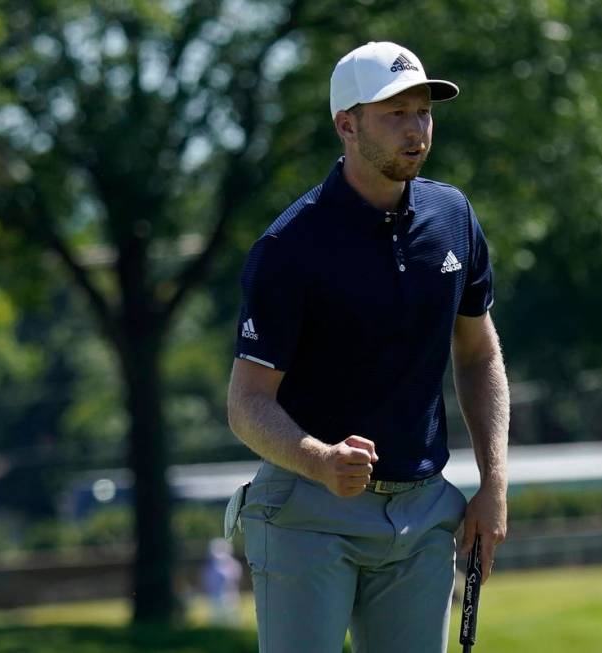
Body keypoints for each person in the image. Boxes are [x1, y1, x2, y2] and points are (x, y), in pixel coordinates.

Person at [225, 41, 509, 653]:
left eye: (423, 112)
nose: (417, 131)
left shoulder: (454, 215)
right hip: (307, 510)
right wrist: (320, 459)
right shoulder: (289, 248)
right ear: (346, 125)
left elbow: (479, 353)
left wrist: (493, 484)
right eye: (395, 115)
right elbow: (247, 403)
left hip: (423, 510)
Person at [200, 537, 243, 626]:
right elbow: (206, 581)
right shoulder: (209, 567)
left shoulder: (233, 564)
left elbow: (236, 579)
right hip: (215, 597)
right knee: (217, 621)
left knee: (232, 621)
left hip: (230, 596)